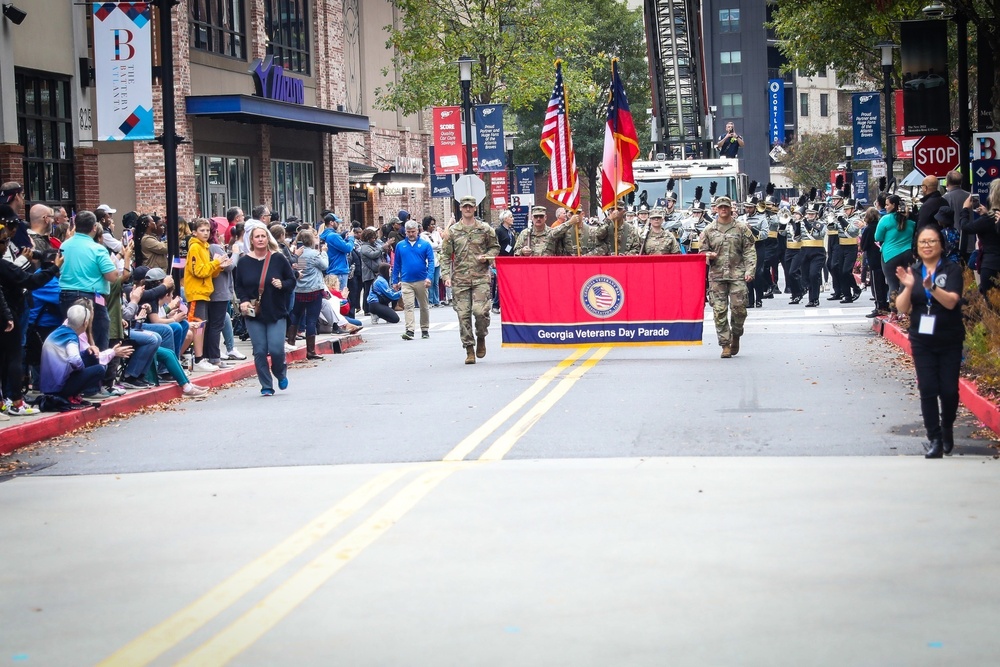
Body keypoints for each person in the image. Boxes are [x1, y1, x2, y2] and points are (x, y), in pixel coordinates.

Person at [894, 225, 965, 458]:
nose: (927, 245)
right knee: (927, 388)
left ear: (941, 245)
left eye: (932, 241)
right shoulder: (912, 271)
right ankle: (934, 438)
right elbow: (902, 308)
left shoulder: (952, 270)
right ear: (917, 246)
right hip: (921, 339)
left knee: (948, 391)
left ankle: (946, 429)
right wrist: (908, 287)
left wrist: (931, 287)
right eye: (923, 242)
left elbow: (951, 302)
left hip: (949, 337)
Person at [234, 226, 297, 396]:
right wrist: (244, 301)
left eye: (263, 236)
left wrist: (282, 285)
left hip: (276, 311)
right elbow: (239, 286)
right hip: (255, 313)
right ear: (251, 240)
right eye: (257, 237)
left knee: (276, 349)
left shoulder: (278, 259)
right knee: (260, 350)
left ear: (268, 239)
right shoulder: (244, 262)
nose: (260, 239)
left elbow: (292, 280)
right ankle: (266, 385)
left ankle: (280, 372)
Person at [441, 195, 500, 364]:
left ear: (474, 208)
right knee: (463, 315)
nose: (467, 209)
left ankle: (481, 336)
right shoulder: (453, 231)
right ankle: (469, 348)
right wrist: (446, 275)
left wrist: (487, 256)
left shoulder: (485, 229)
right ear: (460, 208)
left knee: (480, 312)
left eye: (470, 207)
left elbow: (495, 247)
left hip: (481, 277)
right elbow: (445, 255)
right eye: (464, 206)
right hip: (460, 279)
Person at [698, 196, 756, 358]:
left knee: (739, 309)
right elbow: (701, 252)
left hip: (737, 274)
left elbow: (749, 250)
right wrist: (708, 254)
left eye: (726, 207)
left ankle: (736, 334)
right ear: (715, 209)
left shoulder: (741, 228)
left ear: (731, 208)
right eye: (720, 207)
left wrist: (750, 270)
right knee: (719, 310)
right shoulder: (708, 230)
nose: (723, 209)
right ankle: (725, 344)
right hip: (716, 276)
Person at [39, 305, 133, 401]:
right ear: (86, 323)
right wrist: (82, 371)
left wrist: (86, 354)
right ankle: (82, 393)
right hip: (59, 388)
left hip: (49, 386)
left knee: (91, 355)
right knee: (99, 370)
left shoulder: (60, 331)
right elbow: (74, 360)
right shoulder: (71, 337)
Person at [183, 218, 230, 372]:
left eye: (207, 230)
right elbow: (199, 271)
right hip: (197, 292)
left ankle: (201, 357)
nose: (205, 233)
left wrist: (218, 266)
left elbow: (210, 273)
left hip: (204, 292)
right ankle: (198, 358)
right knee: (198, 326)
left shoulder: (205, 247)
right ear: (194, 232)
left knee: (202, 325)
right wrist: (215, 263)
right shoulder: (195, 248)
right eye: (202, 230)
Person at [392, 220, 435, 340]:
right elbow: (397, 264)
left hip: (422, 279)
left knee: (424, 306)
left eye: (413, 232)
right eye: (408, 232)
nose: (411, 234)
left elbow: (431, 261)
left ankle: (425, 328)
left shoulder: (425, 245)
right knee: (408, 305)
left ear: (418, 231)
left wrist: (429, 277)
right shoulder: (400, 246)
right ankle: (410, 330)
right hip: (406, 281)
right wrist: (395, 280)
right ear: (405, 232)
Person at [290, 228, 328, 359]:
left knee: (296, 315)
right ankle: (310, 351)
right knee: (311, 320)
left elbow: (299, 268)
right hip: (313, 289)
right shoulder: (314, 254)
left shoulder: (297, 253)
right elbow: (324, 266)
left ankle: (291, 342)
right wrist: (323, 253)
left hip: (299, 289)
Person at [875, 194, 916, 312]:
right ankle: (905, 311)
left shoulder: (885, 219)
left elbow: (877, 236)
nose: (886, 207)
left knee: (893, 284)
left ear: (894, 205)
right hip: (908, 254)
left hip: (890, 255)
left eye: (887, 205)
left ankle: (894, 311)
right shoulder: (910, 220)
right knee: (905, 283)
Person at [960, 182, 1000, 303]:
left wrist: (965, 209)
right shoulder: (991, 217)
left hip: (991, 265)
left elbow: (966, 227)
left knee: (992, 306)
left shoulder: (989, 219)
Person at [320, 214, 354, 289]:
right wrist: (351, 238)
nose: (338, 224)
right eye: (337, 222)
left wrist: (345, 240)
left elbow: (338, 248)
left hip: (331, 269)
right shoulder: (333, 235)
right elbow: (348, 248)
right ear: (331, 222)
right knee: (341, 297)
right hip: (339, 270)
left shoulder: (325, 235)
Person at [493, 210, 516, 313]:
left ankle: (507, 304)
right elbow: (495, 246)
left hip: (510, 259)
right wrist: (494, 259)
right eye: (511, 217)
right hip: (501, 259)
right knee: (501, 283)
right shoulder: (499, 231)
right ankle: (496, 304)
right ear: (505, 219)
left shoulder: (511, 231)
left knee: (509, 283)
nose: (513, 219)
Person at [421, 217, 443, 307]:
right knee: (430, 281)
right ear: (427, 225)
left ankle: (436, 300)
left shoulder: (436, 233)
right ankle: (430, 300)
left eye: (434, 224)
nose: (433, 226)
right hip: (428, 261)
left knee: (436, 282)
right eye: (431, 224)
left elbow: (441, 245)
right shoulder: (423, 236)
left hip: (437, 259)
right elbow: (428, 246)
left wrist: (436, 245)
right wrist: (436, 245)